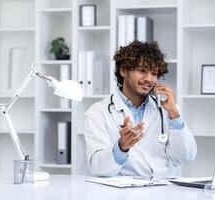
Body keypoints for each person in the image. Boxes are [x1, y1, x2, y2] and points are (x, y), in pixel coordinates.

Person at [84, 41, 197, 178]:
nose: (149, 79)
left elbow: (187, 157)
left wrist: (175, 115)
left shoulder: (167, 109)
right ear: (123, 70)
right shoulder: (98, 113)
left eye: (154, 73)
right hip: (125, 193)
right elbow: (98, 168)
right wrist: (121, 147)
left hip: (166, 189)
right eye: (142, 70)